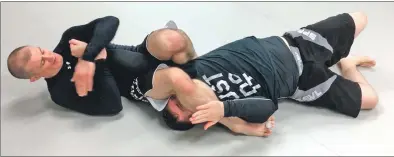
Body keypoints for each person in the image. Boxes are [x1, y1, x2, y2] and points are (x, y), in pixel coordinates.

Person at [7, 16, 276, 137]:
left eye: (41, 51)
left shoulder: (68, 42)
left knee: (171, 38)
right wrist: (100, 64)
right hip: (139, 83)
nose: (49, 56)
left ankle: (198, 69)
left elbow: (109, 22)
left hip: (137, 56)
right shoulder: (61, 92)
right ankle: (234, 123)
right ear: (34, 78)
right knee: (175, 80)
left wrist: (88, 55)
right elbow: (112, 106)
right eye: (41, 62)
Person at [145, 12, 379, 131]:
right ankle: (348, 65)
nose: (191, 104)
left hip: (294, 43)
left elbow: (173, 37)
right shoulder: (229, 110)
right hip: (303, 82)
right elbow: (268, 107)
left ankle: (338, 57)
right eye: (193, 114)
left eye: (179, 103)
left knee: (361, 18)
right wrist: (224, 111)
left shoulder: (189, 69)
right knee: (371, 100)